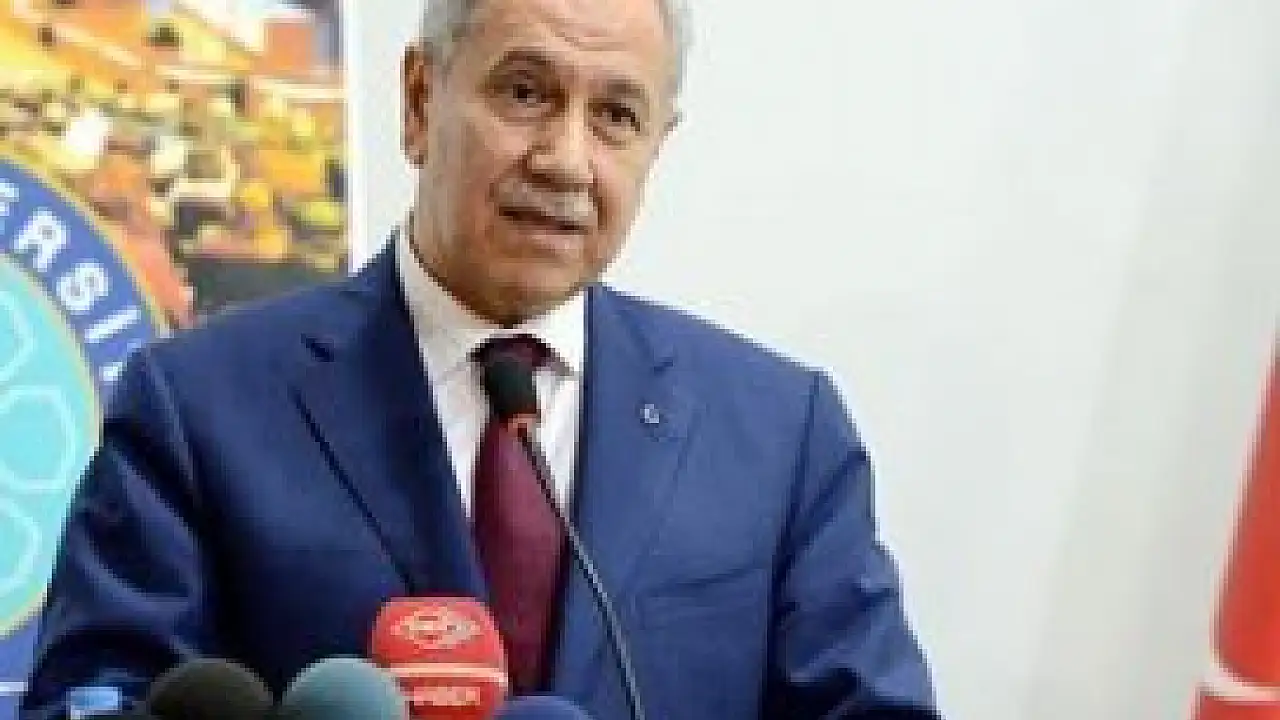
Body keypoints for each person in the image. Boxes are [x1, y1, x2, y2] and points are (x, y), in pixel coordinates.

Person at [20, 0, 942, 718]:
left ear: (657, 146)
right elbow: (95, 700)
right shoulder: (197, 407)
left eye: (615, 115)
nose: (565, 160)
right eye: (526, 93)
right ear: (421, 101)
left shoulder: (780, 436)